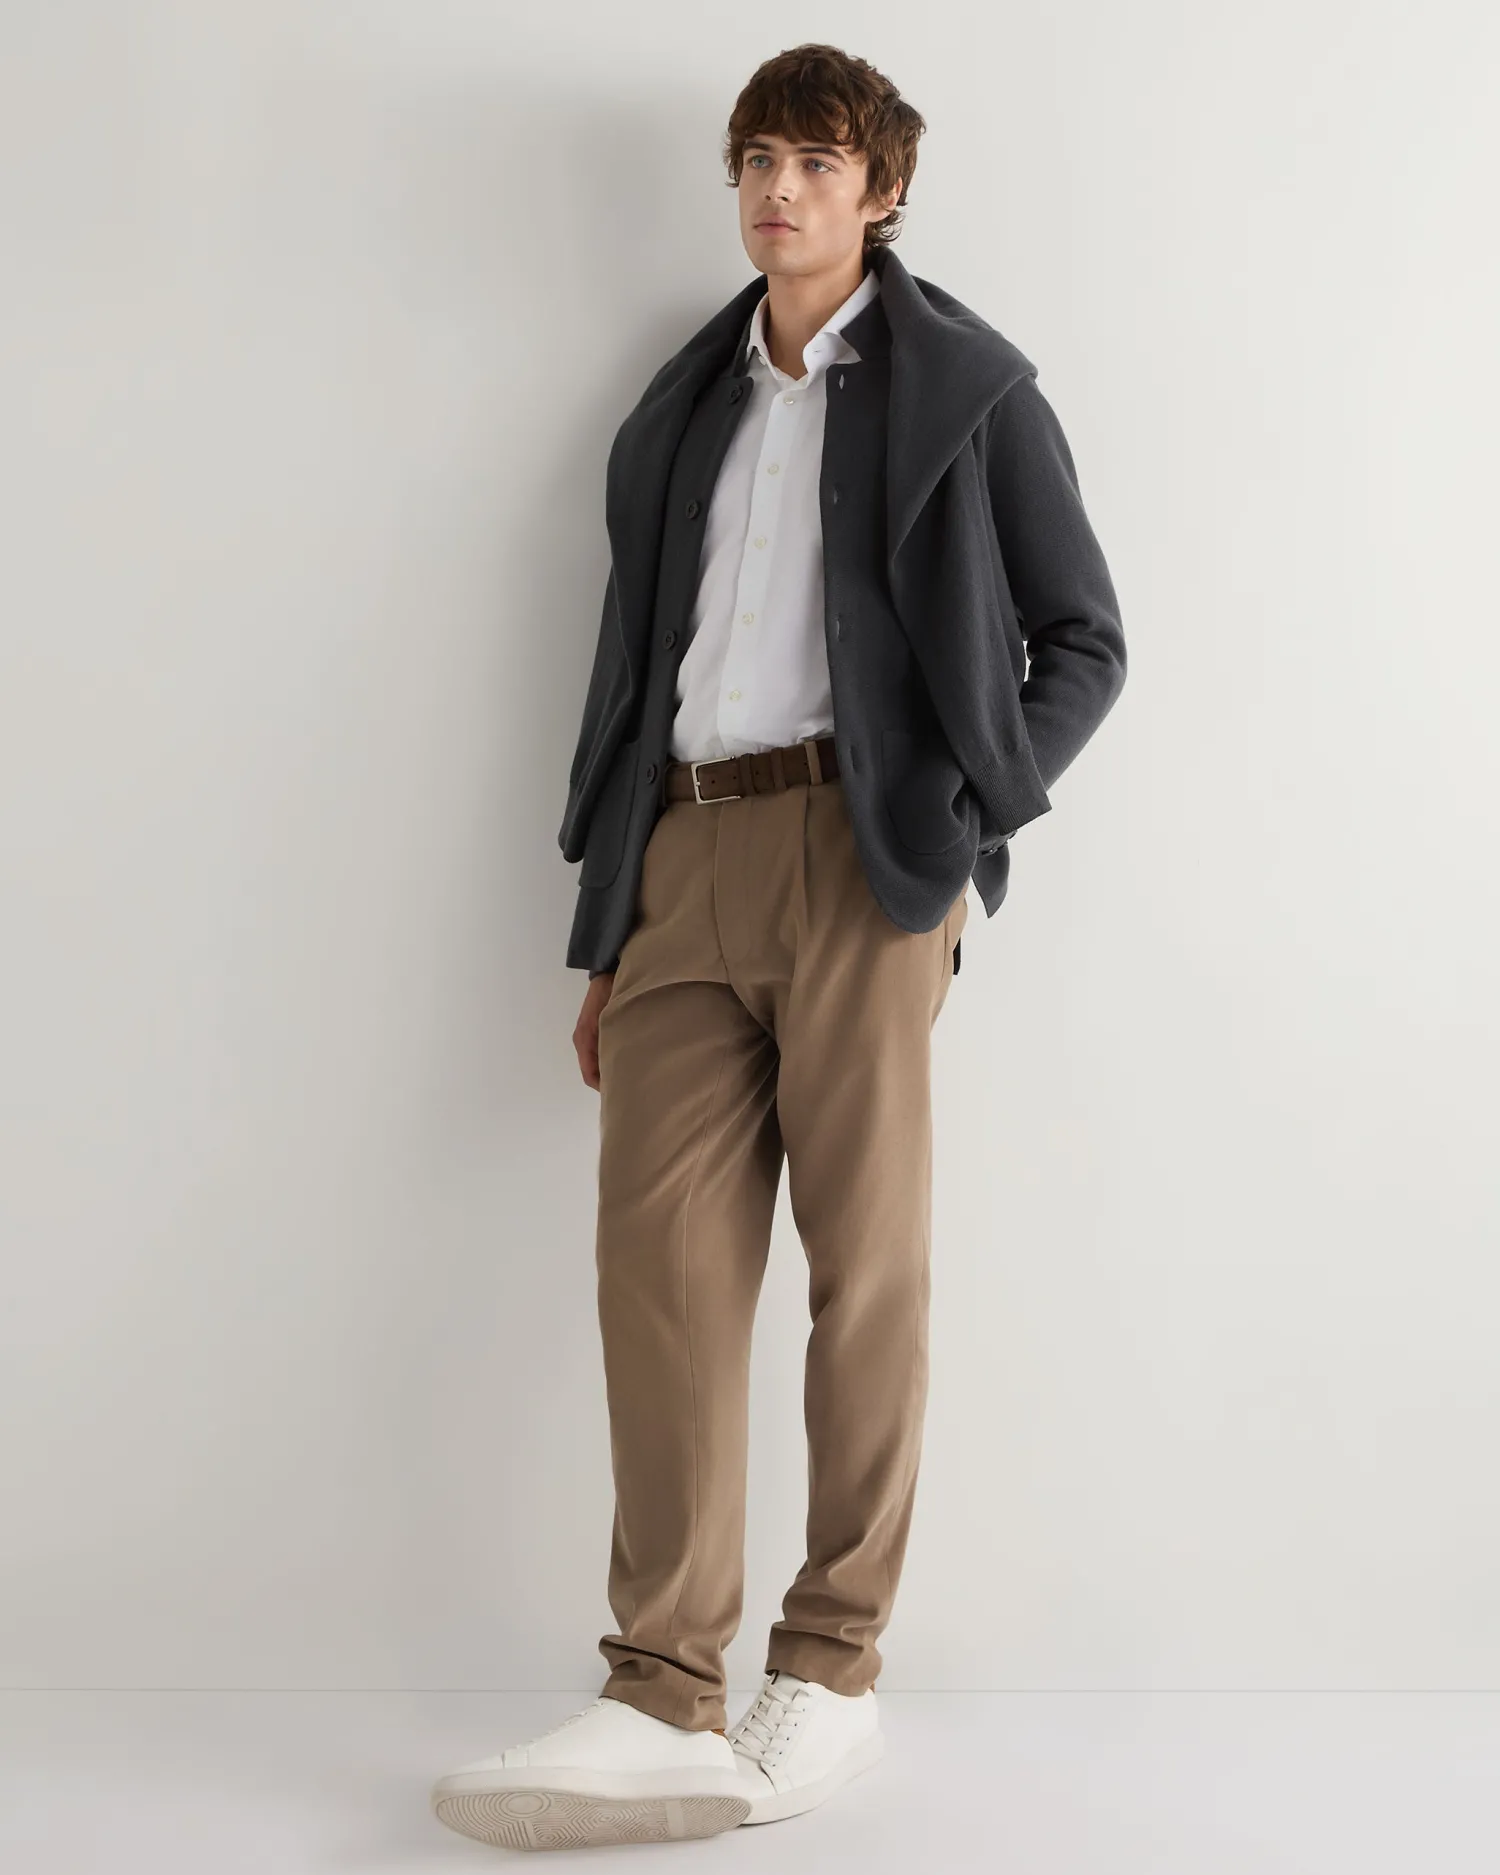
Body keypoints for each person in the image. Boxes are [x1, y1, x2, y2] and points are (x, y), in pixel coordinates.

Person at [432, 41, 1126, 1854]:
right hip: (683, 854)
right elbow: (630, 671)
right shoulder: (685, 406)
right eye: (756, 157)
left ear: (882, 190)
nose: (779, 188)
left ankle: (830, 1666)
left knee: (861, 1272)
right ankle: (660, 1683)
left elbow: (1084, 637)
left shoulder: (973, 389)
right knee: (654, 1268)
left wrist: (961, 817)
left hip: (865, 860)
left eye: (817, 160)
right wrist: (610, 917)